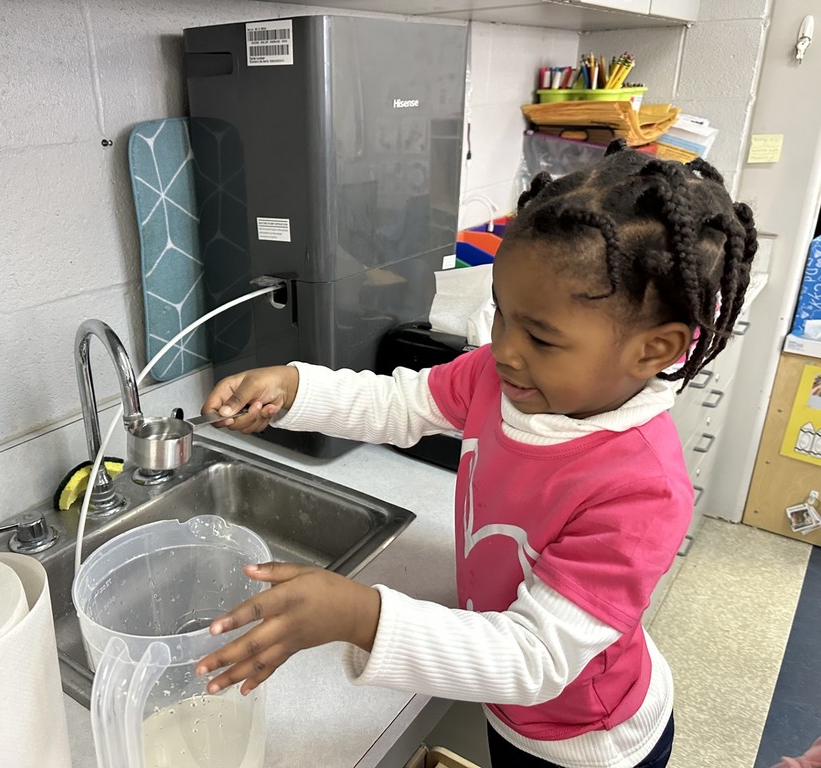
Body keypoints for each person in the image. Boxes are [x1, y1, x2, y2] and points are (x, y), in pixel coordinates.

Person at [194, 140, 757, 768]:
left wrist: (362, 616)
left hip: (585, 743)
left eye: (540, 336)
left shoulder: (640, 490)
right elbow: (400, 404)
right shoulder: (504, 378)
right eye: (503, 316)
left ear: (654, 350)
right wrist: (298, 388)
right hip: (510, 711)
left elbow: (535, 657)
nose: (506, 349)